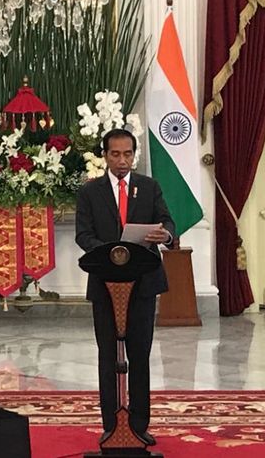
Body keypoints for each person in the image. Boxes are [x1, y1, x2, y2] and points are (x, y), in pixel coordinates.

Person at [75, 128, 175, 446]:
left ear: (135, 154)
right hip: (106, 286)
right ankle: (111, 424)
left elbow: (167, 223)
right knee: (108, 355)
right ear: (105, 155)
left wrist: (166, 236)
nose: (122, 161)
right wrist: (109, 252)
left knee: (140, 356)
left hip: (142, 285)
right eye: (115, 154)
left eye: (128, 154)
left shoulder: (149, 187)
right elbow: (83, 235)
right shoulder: (91, 192)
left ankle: (139, 424)